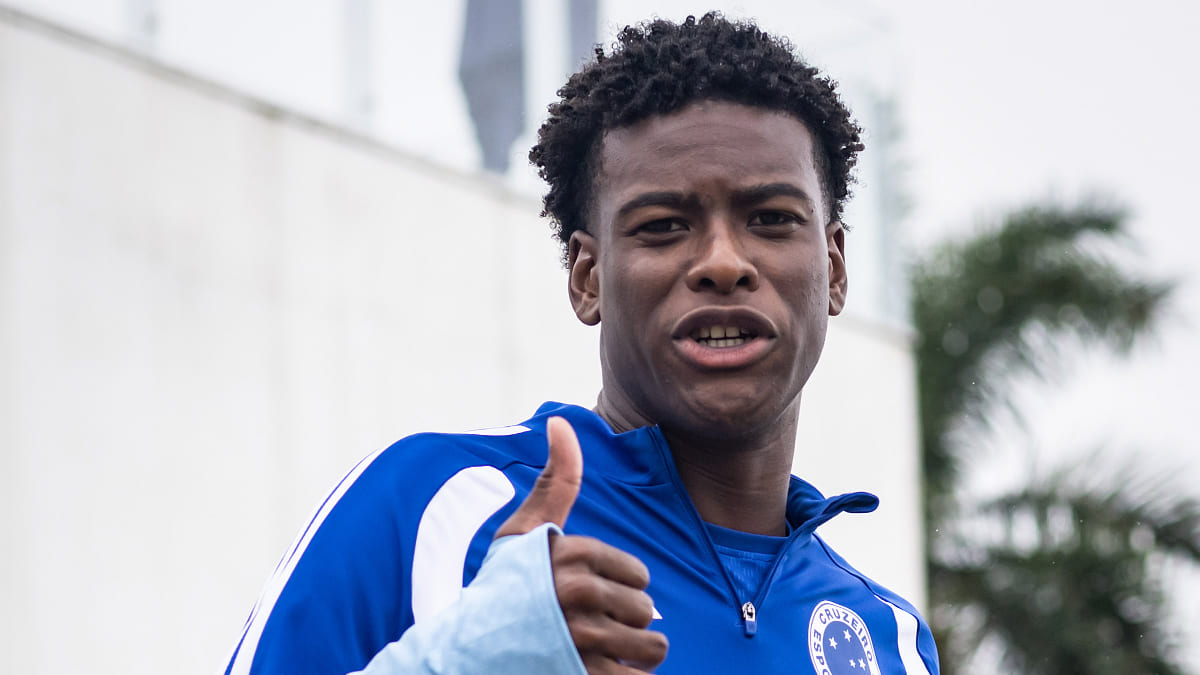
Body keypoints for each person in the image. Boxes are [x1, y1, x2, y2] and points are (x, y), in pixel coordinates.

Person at [224, 12, 939, 675]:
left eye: (772, 218)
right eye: (663, 225)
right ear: (587, 277)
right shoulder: (432, 505)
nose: (723, 261)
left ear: (835, 268)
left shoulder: (891, 641)